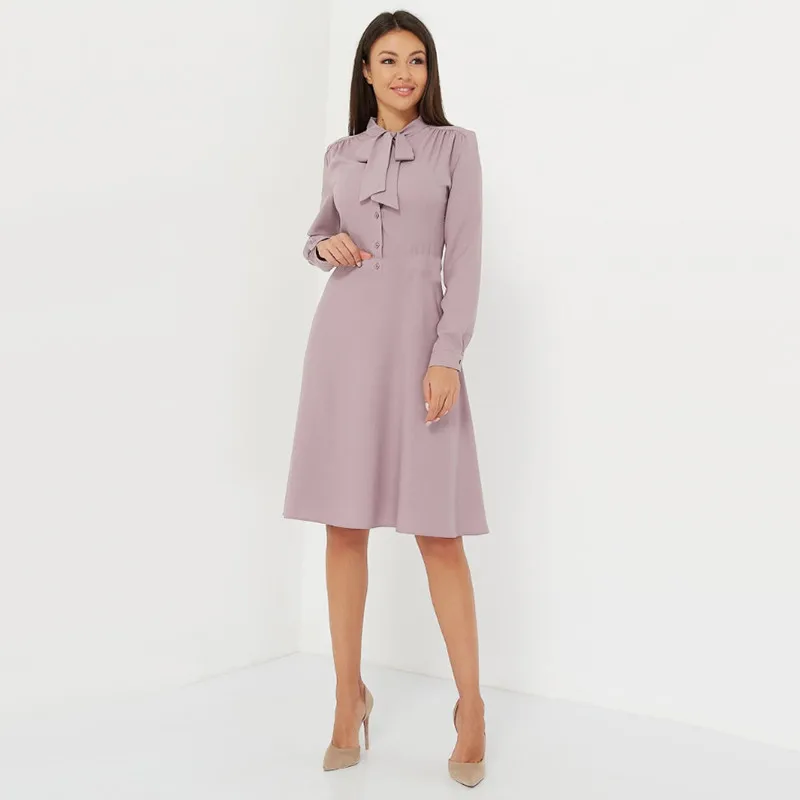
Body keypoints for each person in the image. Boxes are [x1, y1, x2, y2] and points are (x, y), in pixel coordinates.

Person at [283, 9, 488, 787]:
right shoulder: (341, 154)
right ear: (365, 72)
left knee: (439, 532)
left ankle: (471, 706)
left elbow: (465, 257)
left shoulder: (455, 147)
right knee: (343, 527)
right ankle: (347, 699)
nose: (404, 73)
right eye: (389, 59)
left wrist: (448, 355)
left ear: (428, 72)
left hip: (420, 348)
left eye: (416, 60)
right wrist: (322, 245)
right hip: (343, 348)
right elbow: (318, 235)